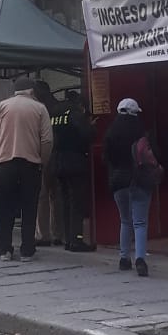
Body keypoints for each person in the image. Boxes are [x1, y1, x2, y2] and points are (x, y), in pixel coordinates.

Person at [0, 77, 53, 261]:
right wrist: (42, 162)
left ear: (15, 91)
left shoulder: (2, 106)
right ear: (32, 91)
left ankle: (5, 250)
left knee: (4, 208)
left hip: (5, 164)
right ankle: (27, 250)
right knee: (29, 208)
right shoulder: (40, 108)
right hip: (31, 165)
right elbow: (47, 141)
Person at [103, 97, 154, 277]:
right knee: (140, 222)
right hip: (138, 181)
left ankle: (124, 258)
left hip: (118, 182)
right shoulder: (140, 132)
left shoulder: (110, 132)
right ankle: (140, 258)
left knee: (125, 220)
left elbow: (107, 159)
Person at [51, 91, 95, 252]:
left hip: (57, 161)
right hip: (74, 161)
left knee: (65, 201)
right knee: (76, 202)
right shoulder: (75, 113)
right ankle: (77, 239)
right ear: (80, 104)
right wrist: (91, 126)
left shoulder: (55, 112)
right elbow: (86, 134)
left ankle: (68, 239)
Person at [33, 79, 62, 246]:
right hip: (58, 155)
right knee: (56, 195)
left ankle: (43, 234)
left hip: (42, 156)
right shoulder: (58, 107)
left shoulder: (38, 110)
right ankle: (58, 233)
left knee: (42, 196)